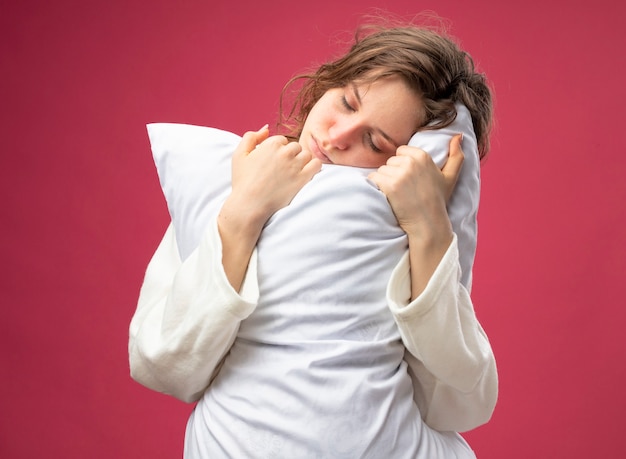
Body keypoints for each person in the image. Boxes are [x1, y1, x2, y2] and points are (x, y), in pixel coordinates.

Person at [129, 20, 497, 458]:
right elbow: (163, 366)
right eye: (345, 102)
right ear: (325, 84)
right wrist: (243, 213)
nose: (336, 137)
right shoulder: (230, 186)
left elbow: (460, 404)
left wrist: (430, 232)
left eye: (374, 141)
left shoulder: (401, 224)